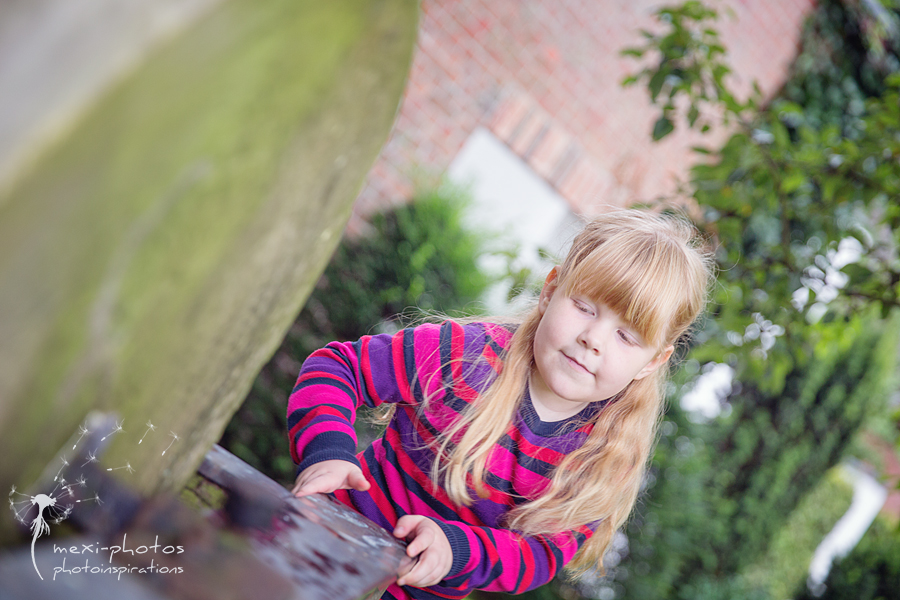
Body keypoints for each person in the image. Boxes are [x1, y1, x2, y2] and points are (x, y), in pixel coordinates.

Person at [287, 209, 713, 600]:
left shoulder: (602, 457)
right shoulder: (464, 356)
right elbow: (339, 368)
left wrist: (456, 550)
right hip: (315, 547)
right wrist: (327, 452)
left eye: (626, 336)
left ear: (653, 360)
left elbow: (538, 555)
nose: (593, 340)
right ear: (550, 292)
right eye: (584, 307)